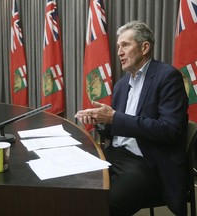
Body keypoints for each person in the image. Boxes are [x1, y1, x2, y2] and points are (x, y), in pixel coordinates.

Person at [75, 20, 188, 216]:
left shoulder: (168, 77)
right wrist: (100, 121)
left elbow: (170, 130)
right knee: (75, 186)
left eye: (125, 45)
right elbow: (117, 127)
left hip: (149, 161)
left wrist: (114, 118)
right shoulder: (121, 84)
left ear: (145, 47)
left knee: (105, 206)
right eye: (118, 46)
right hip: (116, 155)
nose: (119, 52)